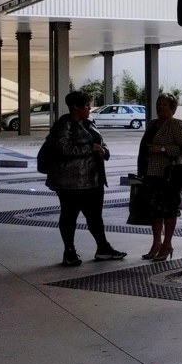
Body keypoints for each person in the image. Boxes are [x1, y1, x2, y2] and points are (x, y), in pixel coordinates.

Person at [46, 90, 127, 266]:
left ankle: (103, 248)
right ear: (75, 107)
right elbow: (62, 149)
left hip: (93, 179)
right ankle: (69, 251)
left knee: (95, 216)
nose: (90, 109)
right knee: (69, 215)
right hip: (70, 181)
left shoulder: (90, 123)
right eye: (86, 106)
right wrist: (89, 150)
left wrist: (103, 151)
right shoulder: (63, 125)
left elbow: (102, 145)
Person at [136, 92, 182, 261]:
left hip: (169, 175)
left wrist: (161, 149)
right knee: (154, 211)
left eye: (165, 104)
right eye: (159, 103)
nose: (160, 107)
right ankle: (156, 243)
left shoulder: (176, 125)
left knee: (168, 210)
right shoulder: (152, 124)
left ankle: (167, 244)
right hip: (150, 173)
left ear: (173, 108)